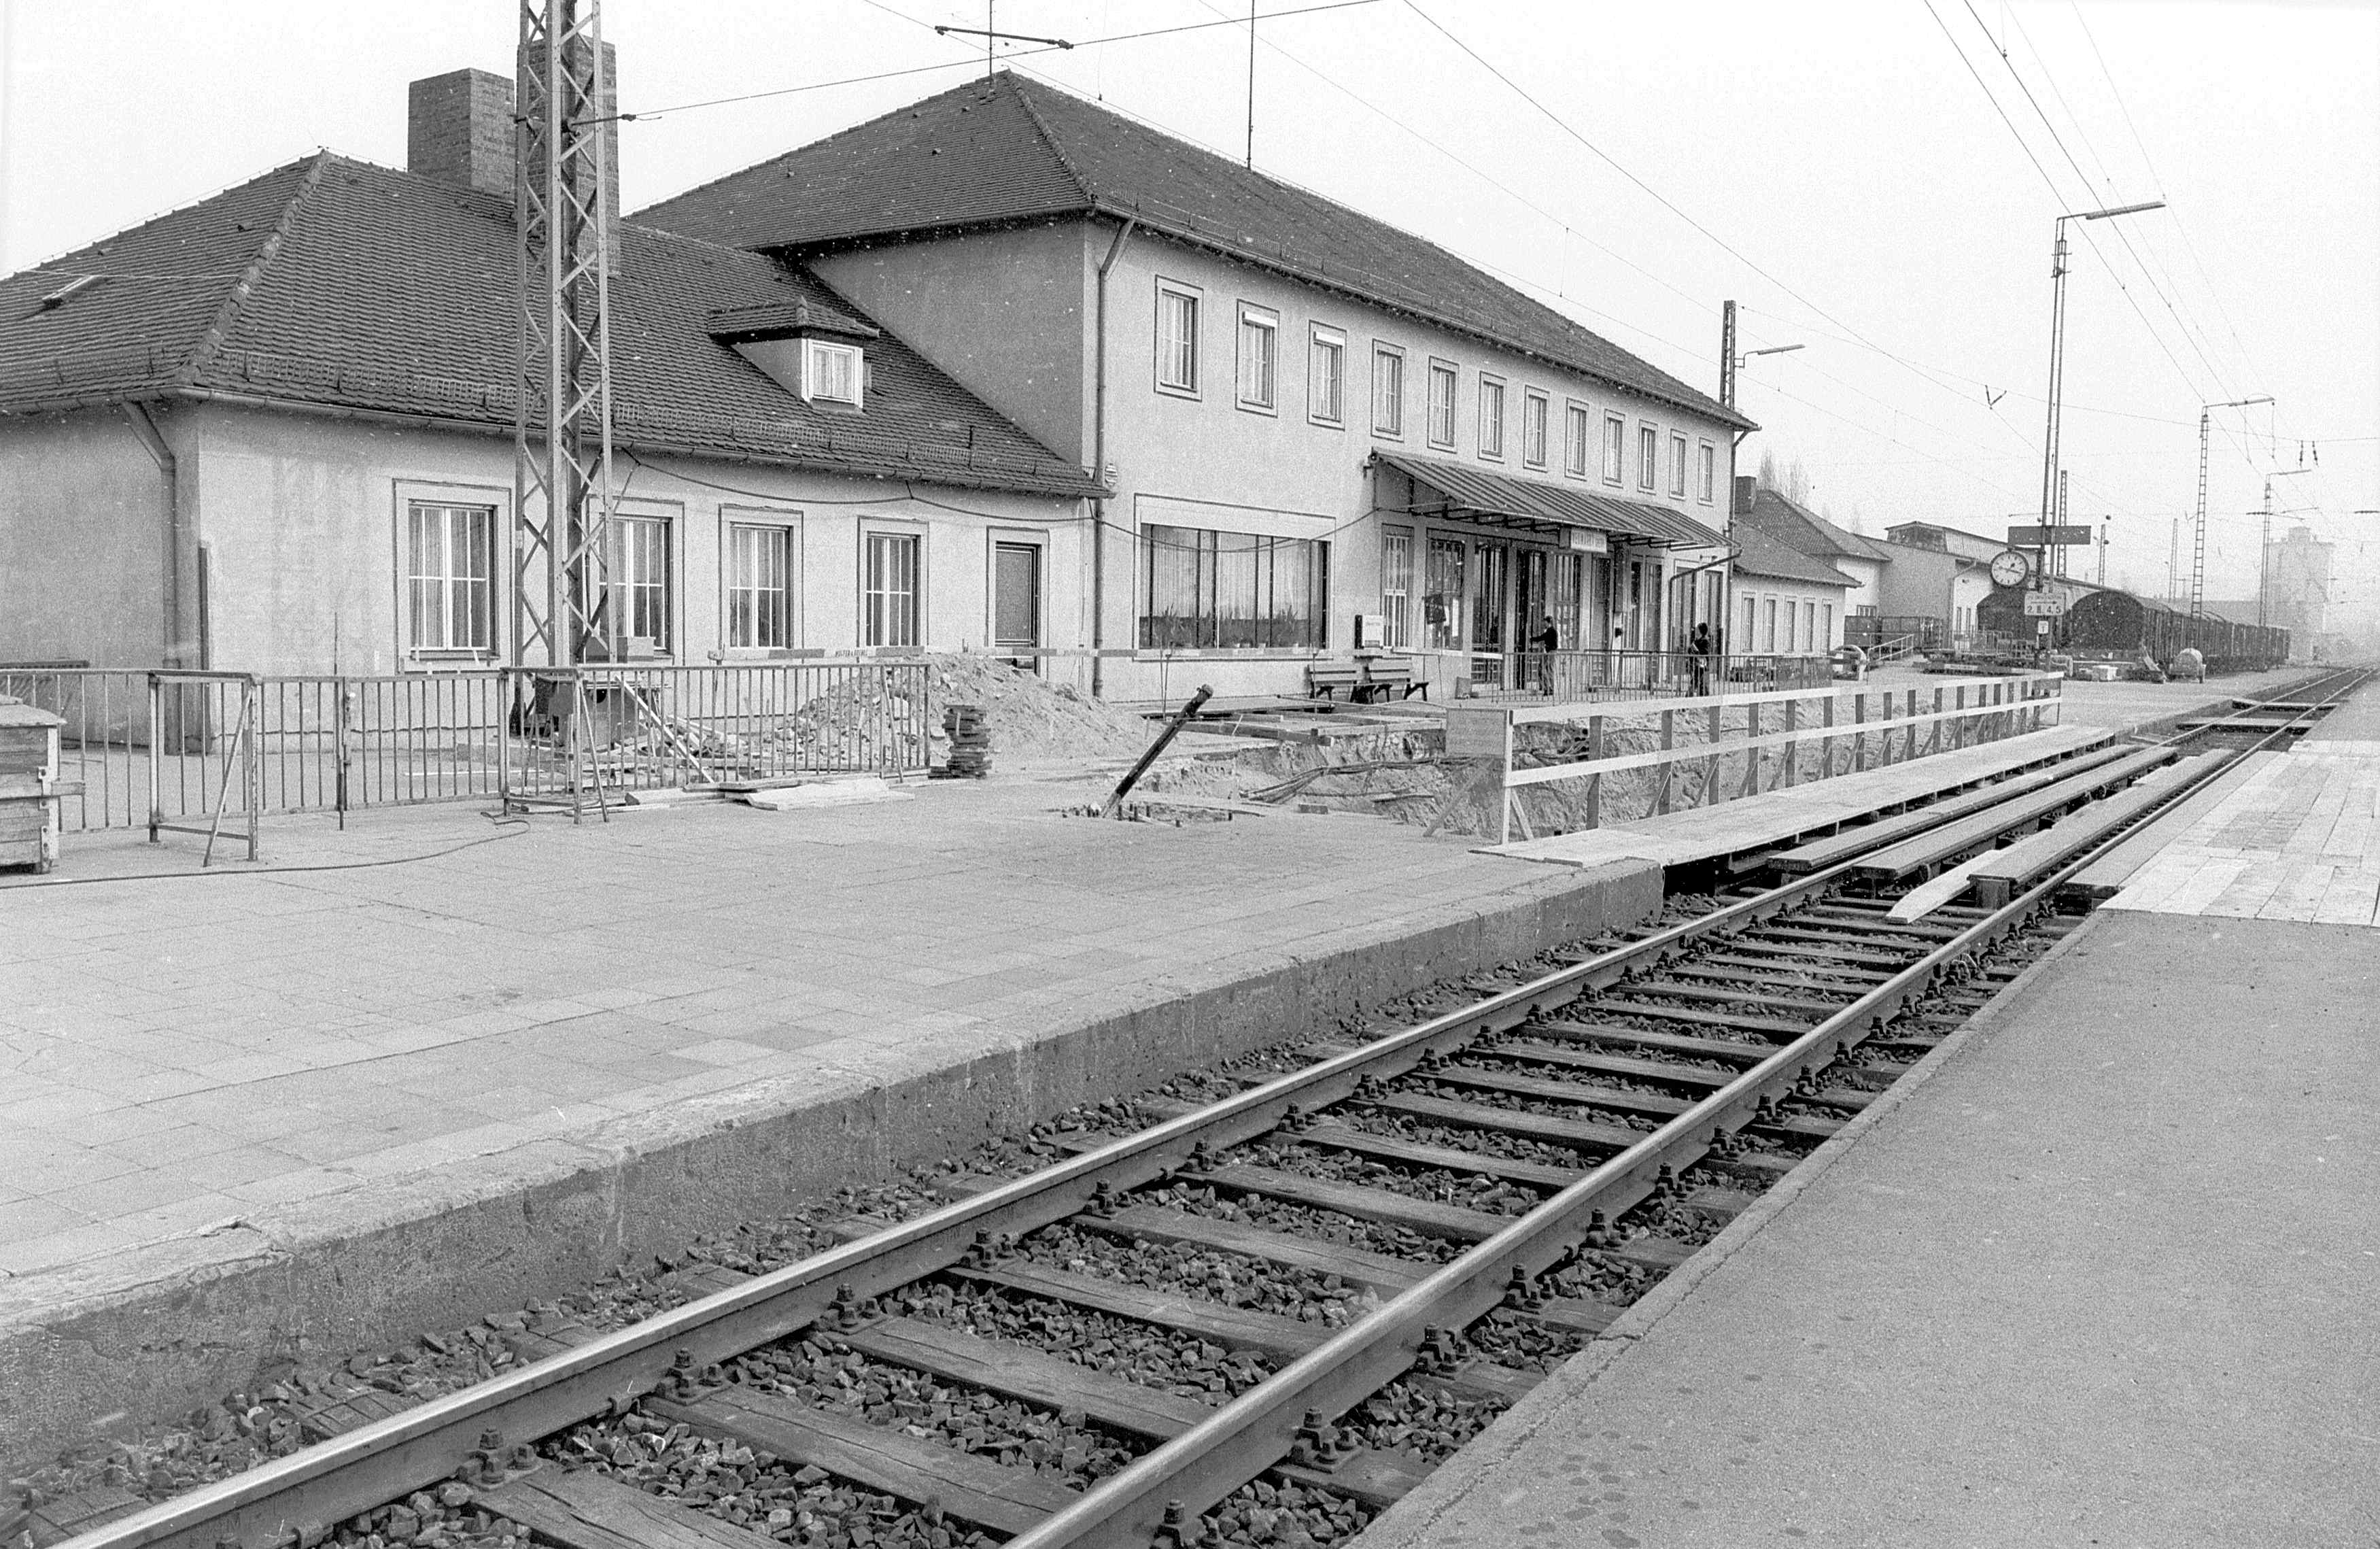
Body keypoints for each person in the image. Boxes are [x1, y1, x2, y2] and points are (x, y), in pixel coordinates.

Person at [1533, 615, 1559, 693]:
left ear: (1548, 623)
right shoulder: (1551, 631)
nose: (1543, 624)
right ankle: (1548, 687)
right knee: (1547, 669)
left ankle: (1548, 688)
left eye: (1544, 623)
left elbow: (1542, 638)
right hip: (1550, 652)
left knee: (1544, 669)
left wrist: (1532, 639)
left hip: (1551, 652)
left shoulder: (1551, 631)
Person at [1689, 622, 1713, 696]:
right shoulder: (1697, 640)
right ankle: (1704, 697)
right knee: (1700, 682)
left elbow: (1705, 652)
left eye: (1698, 630)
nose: (1696, 631)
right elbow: (1690, 650)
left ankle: (1687, 699)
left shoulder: (1705, 641)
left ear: (1701, 631)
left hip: (1702, 664)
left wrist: (1697, 651)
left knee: (1696, 681)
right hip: (1696, 663)